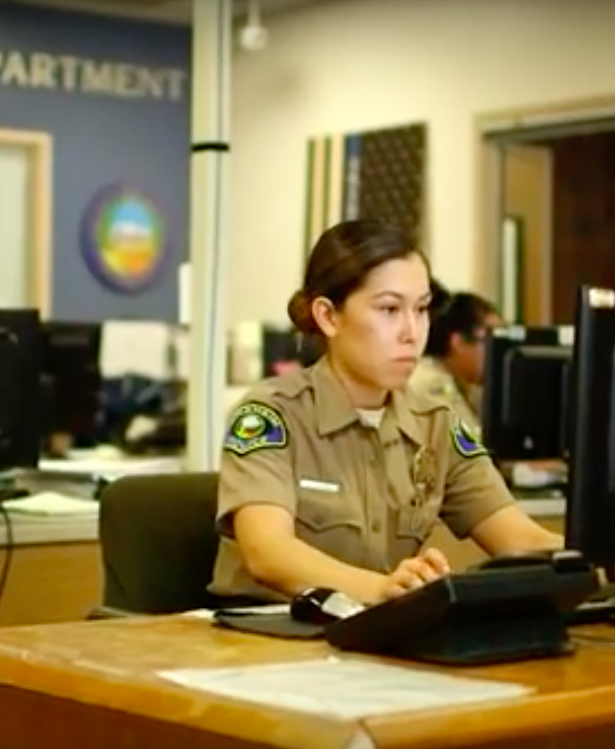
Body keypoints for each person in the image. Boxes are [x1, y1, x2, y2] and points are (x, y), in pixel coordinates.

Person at [210, 219, 562, 605]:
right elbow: (269, 553)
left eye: (422, 309)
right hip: (265, 641)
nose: (413, 332)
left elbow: (521, 540)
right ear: (328, 316)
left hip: (371, 643)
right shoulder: (271, 416)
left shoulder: (436, 425)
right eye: (390, 309)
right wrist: (381, 588)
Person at [410, 287, 501, 434]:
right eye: (491, 343)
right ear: (458, 343)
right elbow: (469, 449)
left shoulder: (466, 384)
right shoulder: (429, 387)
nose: (498, 354)